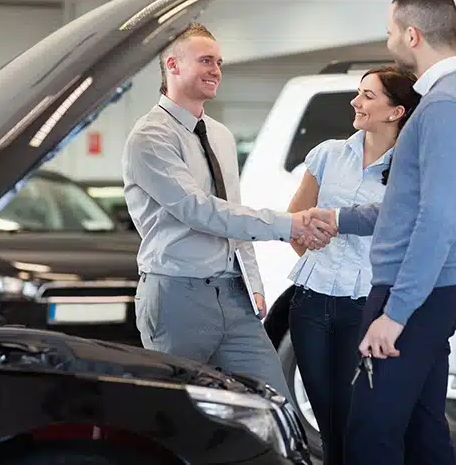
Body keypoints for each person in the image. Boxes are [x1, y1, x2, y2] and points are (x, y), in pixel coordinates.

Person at [305, 0, 456, 464]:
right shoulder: (455, 97)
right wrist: (338, 216)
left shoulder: (445, 106)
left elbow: (437, 218)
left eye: (390, 30)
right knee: (422, 431)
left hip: (413, 294)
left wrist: (397, 312)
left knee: (370, 434)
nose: (387, 39)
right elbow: (409, 208)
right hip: (429, 291)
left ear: (412, 35)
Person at [121, 22, 335, 403]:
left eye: (219, 62)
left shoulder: (219, 135)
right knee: (176, 415)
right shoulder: (150, 137)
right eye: (206, 60)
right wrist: (289, 225)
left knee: (273, 407)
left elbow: (231, 211)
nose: (216, 70)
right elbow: (200, 211)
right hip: (177, 297)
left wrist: (251, 280)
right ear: (172, 65)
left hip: (233, 296)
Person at [286, 66, 420, 465]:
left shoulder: (410, 169)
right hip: (309, 302)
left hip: (364, 306)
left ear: (395, 112)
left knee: (356, 420)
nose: (355, 102)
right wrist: (312, 242)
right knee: (327, 425)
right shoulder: (328, 154)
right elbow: (294, 221)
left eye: (367, 95)